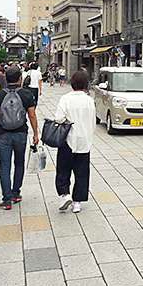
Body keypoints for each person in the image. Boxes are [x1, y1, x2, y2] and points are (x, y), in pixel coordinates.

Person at [0, 66, 39, 210]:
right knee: (19, 163)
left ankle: (6, 200)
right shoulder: (26, 94)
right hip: (21, 133)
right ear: (20, 79)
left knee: (5, 166)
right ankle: (16, 193)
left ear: (5, 77)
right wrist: (35, 134)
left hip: (3, 133)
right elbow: (31, 115)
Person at [54, 70, 96, 213]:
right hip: (84, 140)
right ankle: (77, 202)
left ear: (72, 83)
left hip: (67, 139)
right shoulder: (89, 100)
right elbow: (92, 122)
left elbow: (59, 118)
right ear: (86, 84)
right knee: (82, 171)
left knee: (63, 168)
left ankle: (65, 194)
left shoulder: (65, 98)